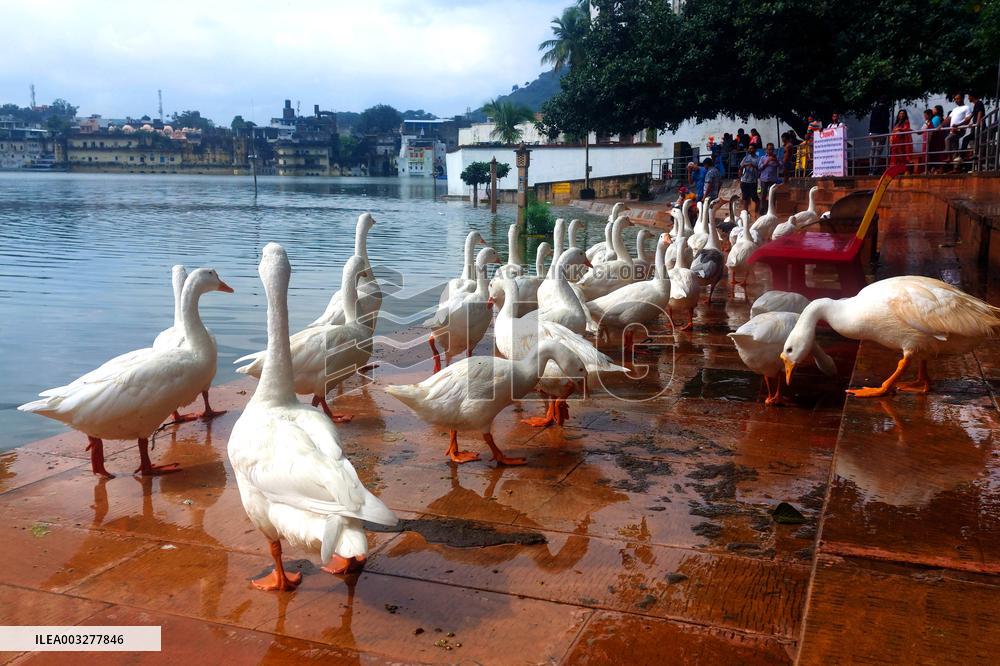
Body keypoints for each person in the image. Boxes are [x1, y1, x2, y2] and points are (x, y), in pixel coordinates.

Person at [944, 93, 972, 170]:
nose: (956, 100)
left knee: (947, 139)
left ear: (962, 98)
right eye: (955, 99)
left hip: (959, 130)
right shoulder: (955, 109)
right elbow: (948, 119)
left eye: (958, 99)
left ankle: (948, 156)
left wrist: (958, 126)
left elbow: (967, 119)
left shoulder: (967, 107)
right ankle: (956, 168)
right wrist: (940, 125)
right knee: (955, 148)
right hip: (952, 130)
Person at [868, 102, 892, 173]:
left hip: (873, 132)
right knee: (878, 152)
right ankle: (874, 169)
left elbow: (871, 121)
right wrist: (886, 131)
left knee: (872, 150)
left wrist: (870, 132)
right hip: (881, 132)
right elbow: (886, 121)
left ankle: (870, 168)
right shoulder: (885, 109)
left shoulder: (874, 108)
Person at [757, 143, 781, 214]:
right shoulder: (763, 158)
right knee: (763, 195)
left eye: (772, 149)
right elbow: (759, 167)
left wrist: (775, 160)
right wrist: (767, 161)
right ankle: (762, 211)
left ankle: (772, 211)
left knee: (773, 195)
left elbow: (781, 165)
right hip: (764, 179)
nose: (770, 150)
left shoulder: (776, 158)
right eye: (769, 149)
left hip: (773, 179)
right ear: (766, 150)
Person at [739, 147, 760, 215]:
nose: (750, 150)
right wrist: (740, 178)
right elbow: (740, 167)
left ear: (755, 149)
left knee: (754, 197)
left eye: (752, 148)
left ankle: (756, 212)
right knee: (745, 197)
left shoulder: (758, 158)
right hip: (744, 180)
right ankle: (745, 212)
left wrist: (753, 166)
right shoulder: (745, 157)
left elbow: (760, 168)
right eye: (750, 148)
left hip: (753, 181)